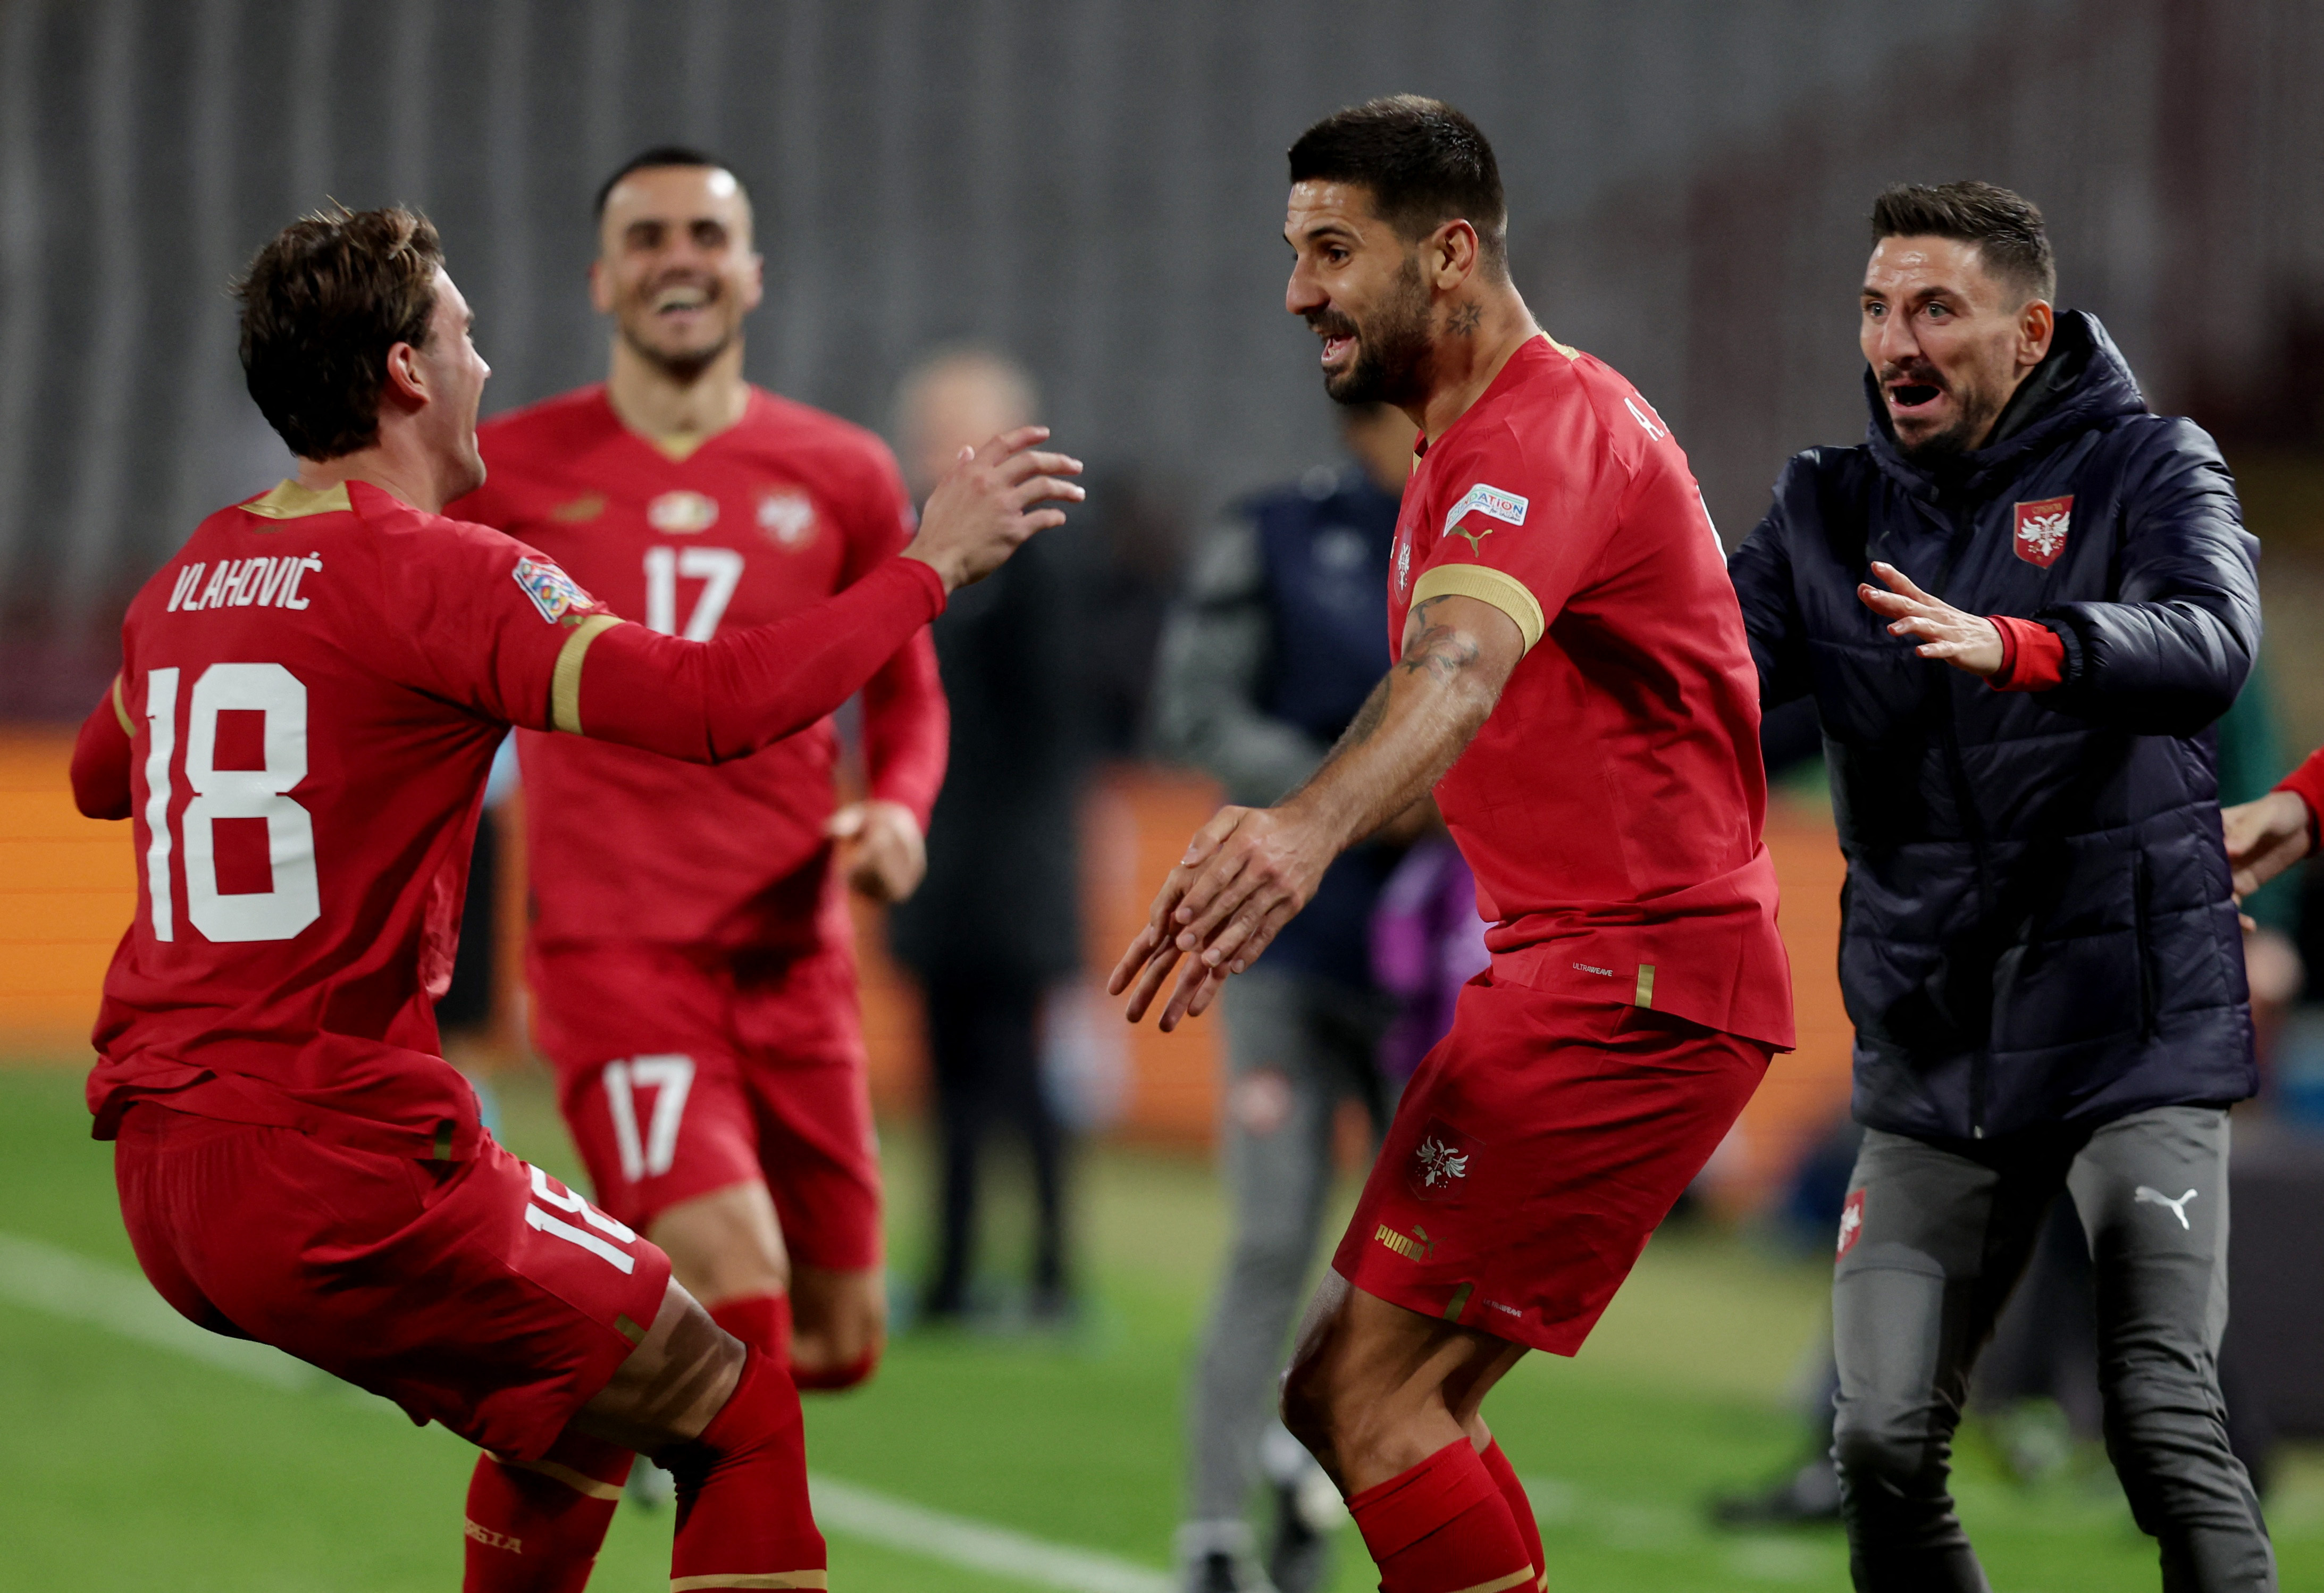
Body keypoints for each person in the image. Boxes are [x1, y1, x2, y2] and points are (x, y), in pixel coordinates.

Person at [69, 204, 1077, 1591]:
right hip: (337, 1163)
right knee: (739, 1404)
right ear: (408, 373)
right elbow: (714, 704)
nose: (488, 363)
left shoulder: (187, 576)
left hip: (162, 1167)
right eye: (466, 334)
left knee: (588, 1401)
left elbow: (99, 771)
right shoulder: (441, 572)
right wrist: (925, 565)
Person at [1111, 97, 1793, 1593]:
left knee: (1368, 1398)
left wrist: (1300, 831)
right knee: (1347, 1396)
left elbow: (1459, 674)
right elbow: (1454, 714)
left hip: (1631, 985)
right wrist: (1292, 823)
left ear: (1450, 252)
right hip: (1583, 972)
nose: (1298, 291)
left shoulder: (1546, 433)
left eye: (1332, 250)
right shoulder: (1460, 447)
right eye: (1295, 251)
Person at [1726, 181, 2273, 1590]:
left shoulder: (2152, 466)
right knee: (1883, 1443)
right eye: (1872, 307)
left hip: (2126, 1022)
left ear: (2025, 331)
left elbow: (2209, 637)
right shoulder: (1825, 508)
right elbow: (1700, 679)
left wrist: (2023, 645)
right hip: (1938, 1038)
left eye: (1931, 308)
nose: (1891, 338)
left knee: (2159, 1418)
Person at [450, 146, 943, 1401]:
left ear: (753, 276)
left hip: (794, 959)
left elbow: (906, 700)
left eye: (707, 237)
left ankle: (598, 1387)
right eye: (651, 236)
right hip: (616, 957)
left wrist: (894, 807)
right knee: (741, 1280)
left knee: (836, 1341)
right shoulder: (505, 474)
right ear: (603, 280)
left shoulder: (842, 472)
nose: (681, 257)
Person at [1151, 402, 1418, 1593]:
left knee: (1404, 1263)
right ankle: (1211, 1534)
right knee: (1267, 1238)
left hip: (1437, 966)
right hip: (1282, 947)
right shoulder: (1272, 534)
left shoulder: (1494, 542)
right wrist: (1341, 794)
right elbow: (1190, 707)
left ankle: (1307, 1469)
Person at [884, 348, 1086, 1323]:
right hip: (946, 874)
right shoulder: (925, 569)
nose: (931, 457)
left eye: (950, 437)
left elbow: (1054, 726)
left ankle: (1050, 1276)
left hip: (1012, 881)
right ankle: (956, 1276)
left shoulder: (1040, 568)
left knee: (1019, 1081)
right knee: (954, 1086)